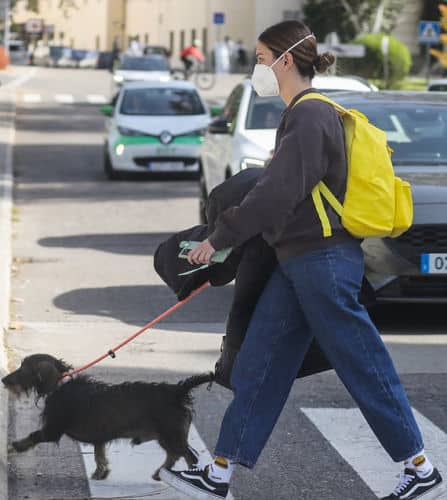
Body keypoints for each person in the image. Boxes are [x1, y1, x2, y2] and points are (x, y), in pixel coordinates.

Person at [159, 20, 444, 500]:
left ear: (285, 59)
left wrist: (220, 236)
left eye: (261, 58)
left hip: (323, 262)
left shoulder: (310, 116)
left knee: (361, 362)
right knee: (261, 364)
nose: (258, 68)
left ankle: (420, 469)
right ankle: (220, 473)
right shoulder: (304, 115)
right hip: (299, 262)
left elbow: (278, 193)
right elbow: (286, 189)